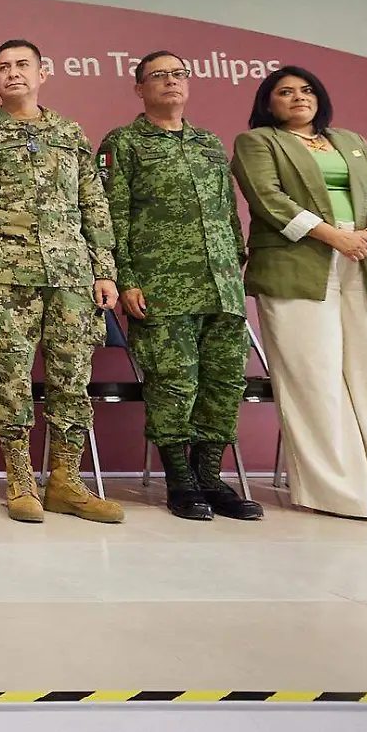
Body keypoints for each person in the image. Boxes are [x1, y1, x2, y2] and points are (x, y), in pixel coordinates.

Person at [0, 39, 124, 525]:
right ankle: (21, 479)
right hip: (7, 277)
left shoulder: (70, 134)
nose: (13, 74)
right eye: (2, 67)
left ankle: (66, 481)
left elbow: (94, 203)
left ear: (42, 73)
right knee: (12, 380)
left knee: (72, 379)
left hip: (71, 274)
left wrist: (104, 269)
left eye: (22, 65)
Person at [231, 65, 367, 521]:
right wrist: (336, 236)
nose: (298, 97)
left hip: (364, 261)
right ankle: (337, 493)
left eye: (306, 89)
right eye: (285, 92)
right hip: (298, 264)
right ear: (267, 103)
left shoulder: (352, 140)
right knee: (315, 379)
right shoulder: (258, 142)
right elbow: (270, 200)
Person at [98, 51, 261, 522]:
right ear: (139, 88)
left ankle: (211, 476)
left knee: (224, 383)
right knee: (174, 385)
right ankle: (181, 482)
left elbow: (229, 214)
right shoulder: (124, 143)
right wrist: (125, 278)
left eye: (178, 74)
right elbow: (112, 215)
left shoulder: (209, 143)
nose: (170, 82)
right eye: (158, 75)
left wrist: (236, 265)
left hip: (221, 288)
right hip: (161, 288)